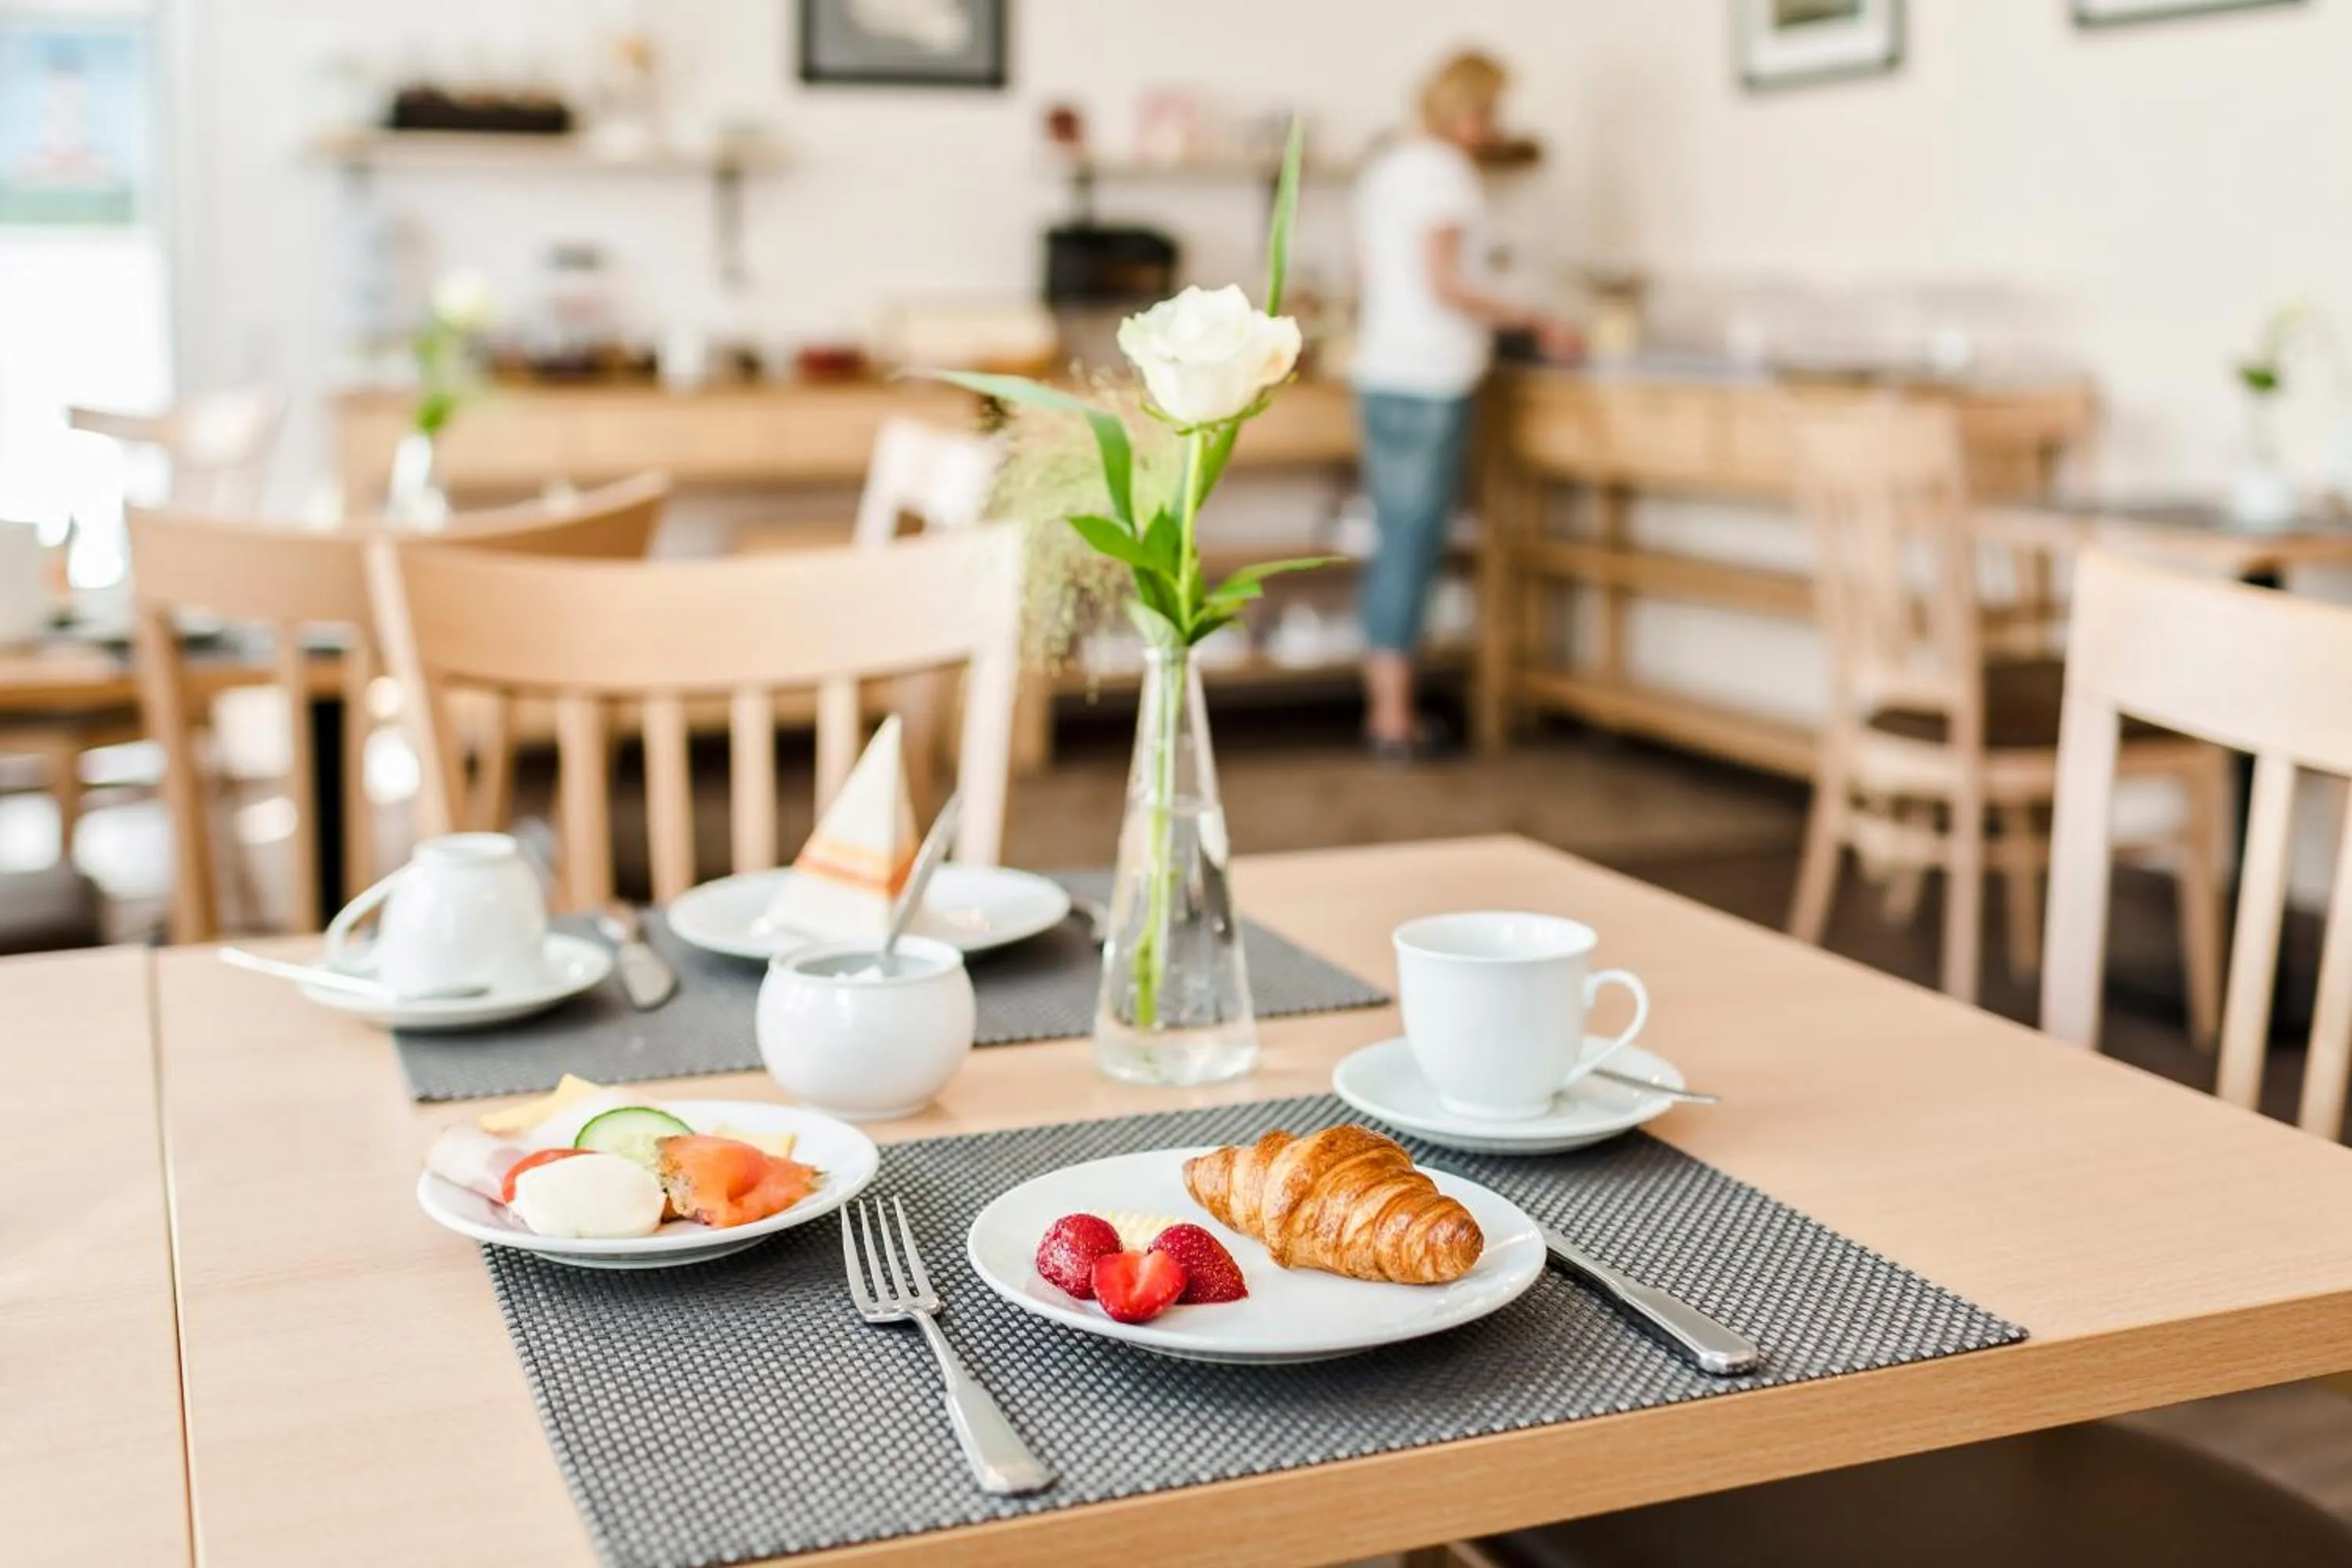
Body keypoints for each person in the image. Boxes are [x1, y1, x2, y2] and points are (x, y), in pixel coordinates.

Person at [1350, 50, 1577, 760]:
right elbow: (1444, 281)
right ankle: (1393, 720)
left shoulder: (1386, 168)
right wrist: (1534, 319)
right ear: (1467, 111)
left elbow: (1374, 275)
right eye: (1491, 112)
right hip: (1430, 379)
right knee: (1412, 545)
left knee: (1392, 538)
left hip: (1381, 371)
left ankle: (1384, 707)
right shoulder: (1442, 173)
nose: (1496, 127)